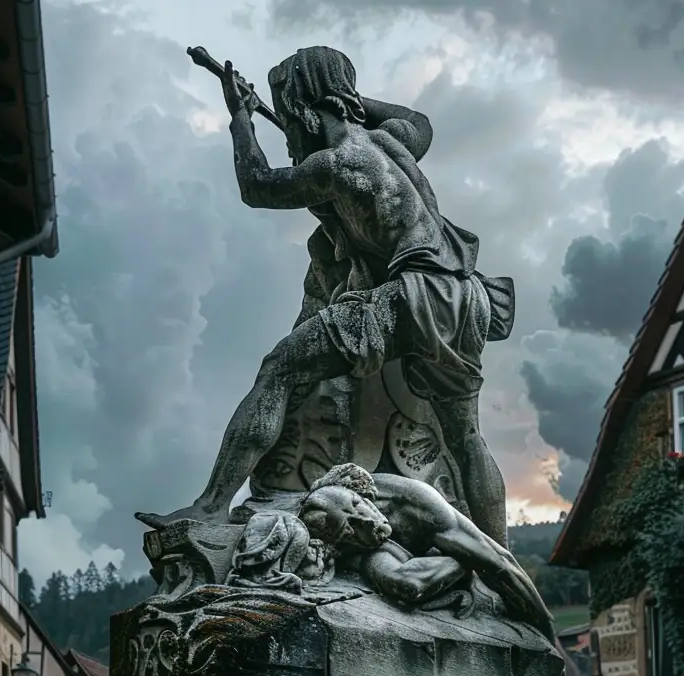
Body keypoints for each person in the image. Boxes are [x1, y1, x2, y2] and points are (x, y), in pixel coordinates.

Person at [158, 46, 513, 539]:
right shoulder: (394, 142)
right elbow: (421, 120)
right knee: (467, 437)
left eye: (287, 115)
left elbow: (256, 185)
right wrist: (343, 99)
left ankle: (213, 505)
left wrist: (241, 116)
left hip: (412, 297)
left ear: (301, 109)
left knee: (279, 367)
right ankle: (502, 561)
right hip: (464, 296)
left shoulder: (338, 164)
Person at [297, 463, 557, 633]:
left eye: (358, 506)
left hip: (441, 544)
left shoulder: (414, 502)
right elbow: (408, 584)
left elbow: (500, 562)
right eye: (350, 528)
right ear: (339, 543)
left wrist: (545, 630)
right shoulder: (350, 548)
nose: (366, 522)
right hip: (402, 558)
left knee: (485, 557)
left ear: (361, 493)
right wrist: (464, 560)